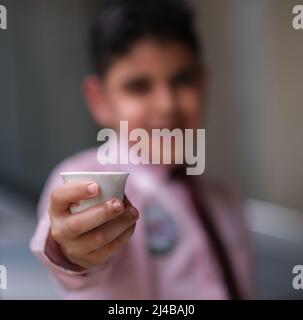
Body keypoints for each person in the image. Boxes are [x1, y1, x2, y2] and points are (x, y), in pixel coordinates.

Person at [30, 0, 253, 299]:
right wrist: (72, 252)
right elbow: (72, 245)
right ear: (100, 100)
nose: (167, 105)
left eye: (182, 80)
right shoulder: (93, 182)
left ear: (203, 81)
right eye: (139, 86)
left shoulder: (226, 201)